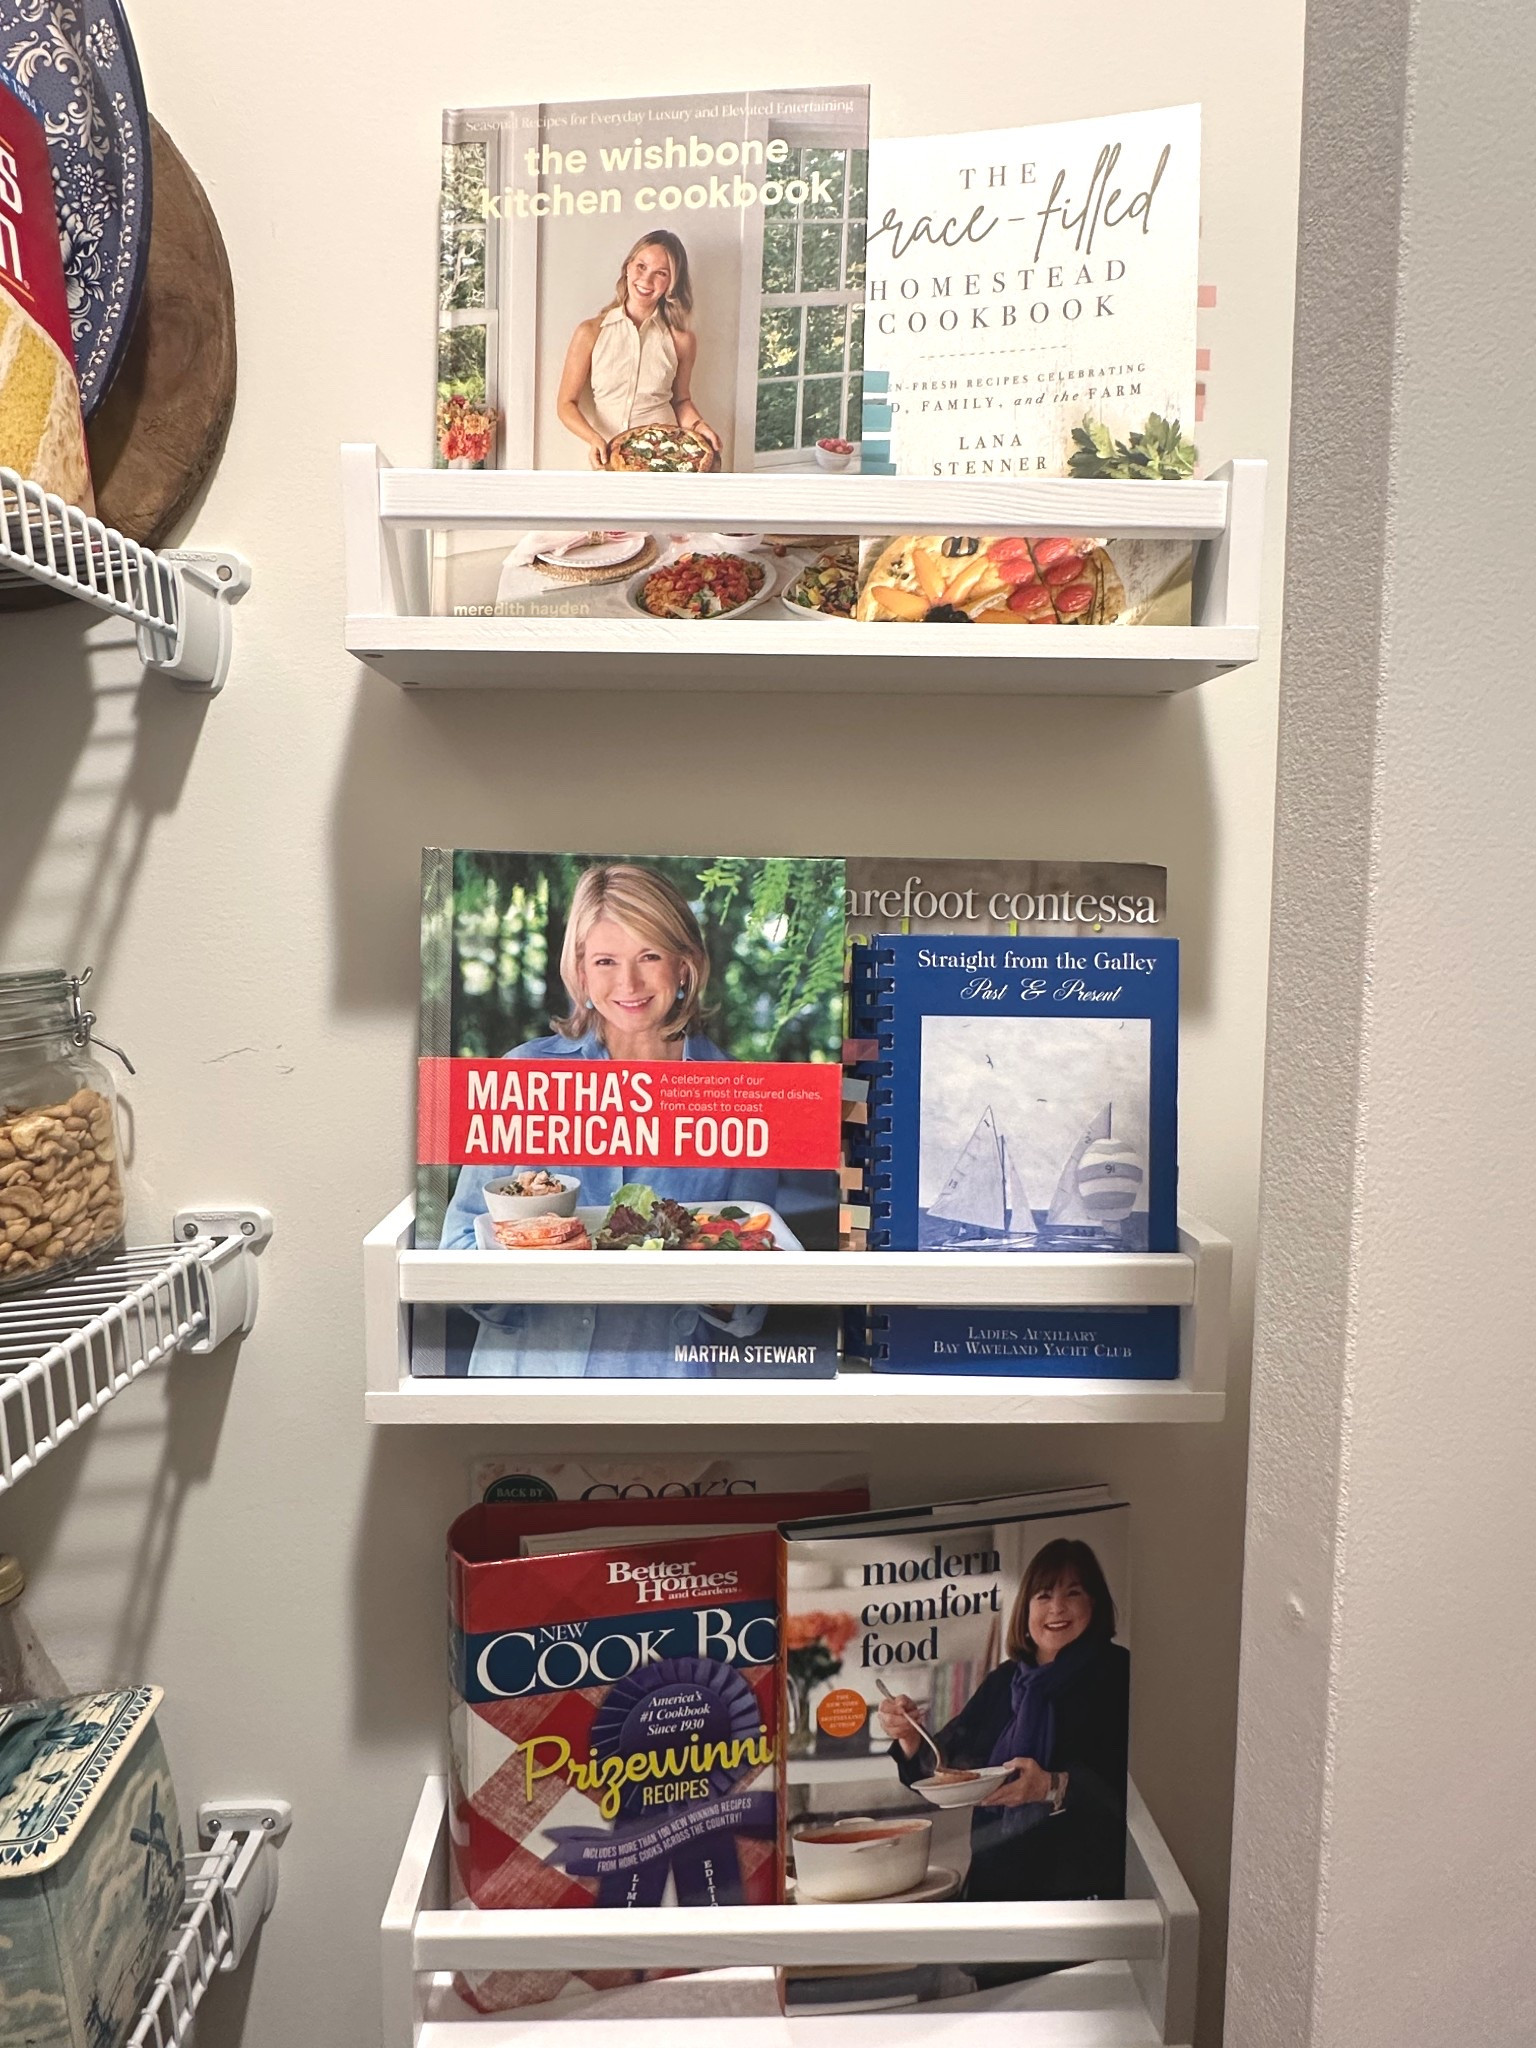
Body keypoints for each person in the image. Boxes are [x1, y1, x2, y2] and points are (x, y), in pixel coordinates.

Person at [442, 863, 781, 1376]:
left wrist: (716, 1283)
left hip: (666, 1395)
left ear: (684, 965)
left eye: (649, 956)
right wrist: (538, 1263)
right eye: (605, 960)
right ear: (580, 971)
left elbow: (751, 1302)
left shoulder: (739, 1095)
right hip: (524, 1385)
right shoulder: (525, 1076)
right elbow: (461, 1246)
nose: (629, 983)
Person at [876, 1538, 1129, 1904]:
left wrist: (1052, 1785)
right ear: (1026, 1609)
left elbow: (1134, 1793)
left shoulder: (1119, 1673)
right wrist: (909, 1736)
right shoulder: (1004, 1681)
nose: (1057, 1608)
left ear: (1094, 1604)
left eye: (1073, 1593)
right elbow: (946, 1765)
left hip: (1082, 1891)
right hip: (996, 1883)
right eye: (1043, 1596)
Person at [556, 232, 721, 469]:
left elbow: (681, 400)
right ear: (627, 267)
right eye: (641, 266)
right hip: (608, 460)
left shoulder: (682, 340)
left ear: (672, 283)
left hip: (665, 462)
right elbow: (565, 404)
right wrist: (594, 439)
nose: (646, 279)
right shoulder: (590, 332)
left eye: (661, 273)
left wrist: (699, 426)